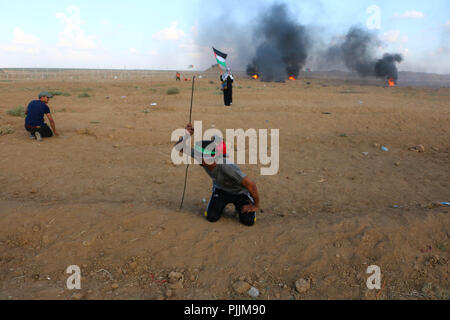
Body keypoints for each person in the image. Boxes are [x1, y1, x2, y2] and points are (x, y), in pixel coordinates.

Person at [181, 123, 260, 226]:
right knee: (211, 217)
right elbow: (179, 147)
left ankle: (241, 204)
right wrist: (186, 134)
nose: (198, 159)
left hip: (240, 193)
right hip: (221, 190)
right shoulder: (202, 158)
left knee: (248, 221)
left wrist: (256, 205)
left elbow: (251, 185)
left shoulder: (227, 167)